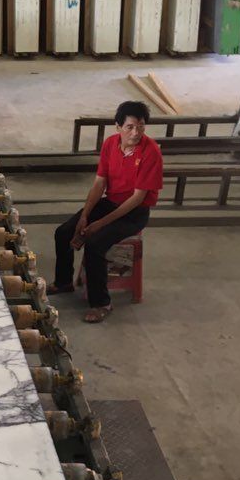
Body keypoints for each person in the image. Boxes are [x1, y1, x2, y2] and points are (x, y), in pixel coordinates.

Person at [49, 100, 163, 323]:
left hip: (134, 213)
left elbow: (137, 198)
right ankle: (63, 282)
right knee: (63, 232)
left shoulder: (151, 152)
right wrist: (85, 216)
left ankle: (102, 303)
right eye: (130, 127)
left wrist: (100, 224)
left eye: (141, 126)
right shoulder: (110, 144)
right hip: (110, 202)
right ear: (118, 127)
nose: (136, 132)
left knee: (95, 244)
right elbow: (99, 182)